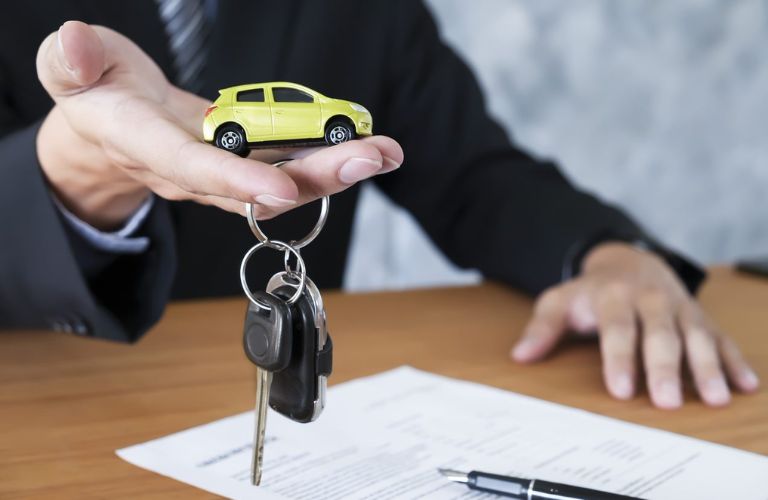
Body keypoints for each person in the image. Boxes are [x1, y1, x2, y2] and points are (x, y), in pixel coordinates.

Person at [0, 0, 758, 409]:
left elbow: (474, 175)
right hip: (51, 401)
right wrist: (68, 174)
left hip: (280, 396)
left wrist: (606, 251)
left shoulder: (368, 10)